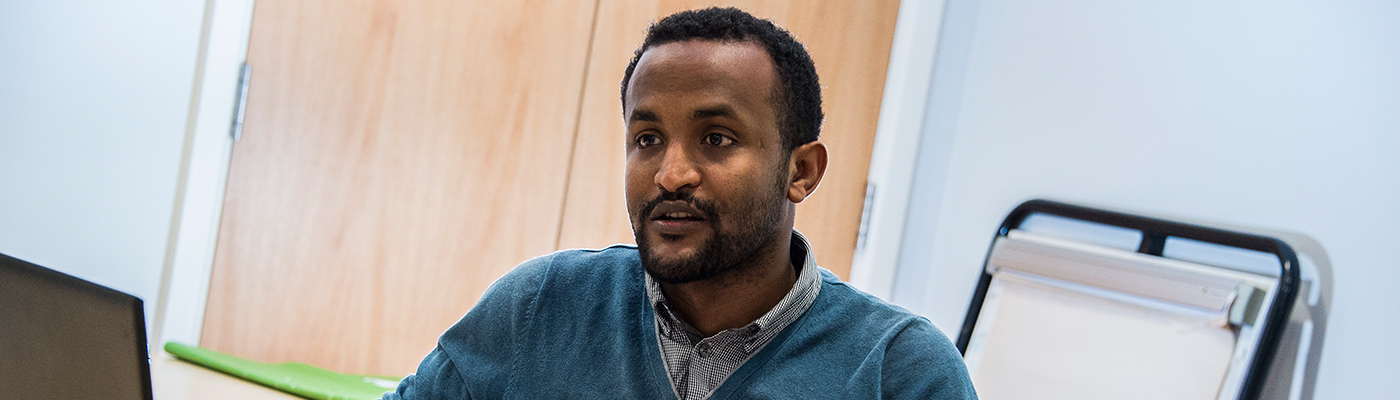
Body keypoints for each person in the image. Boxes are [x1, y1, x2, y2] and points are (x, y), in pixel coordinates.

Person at [383, 7, 975, 399]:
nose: (670, 175)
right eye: (647, 140)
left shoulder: (897, 371)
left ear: (801, 170)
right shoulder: (541, 307)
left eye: (716, 139)